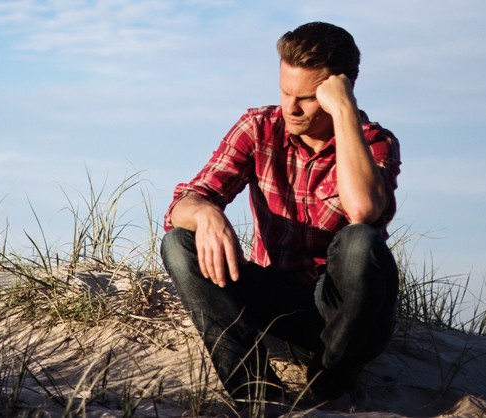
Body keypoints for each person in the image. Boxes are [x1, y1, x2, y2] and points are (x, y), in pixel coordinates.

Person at [160, 22, 401, 412]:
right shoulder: (259, 127)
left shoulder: (374, 141)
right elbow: (184, 202)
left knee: (361, 242)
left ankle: (328, 384)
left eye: (307, 98)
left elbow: (363, 211)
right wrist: (205, 213)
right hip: (278, 304)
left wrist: (344, 112)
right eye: (285, 92)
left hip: (350, 317)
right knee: (178, 242)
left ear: (341, 90)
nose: (291, 107)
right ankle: (258, 396)